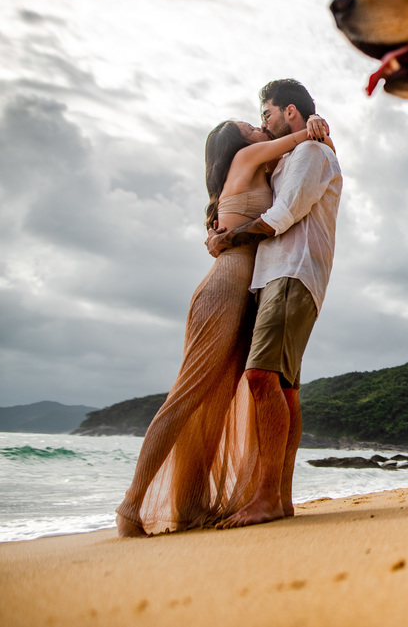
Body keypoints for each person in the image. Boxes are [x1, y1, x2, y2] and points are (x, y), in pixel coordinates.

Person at [116, 110, 332, 537]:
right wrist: (315, 123)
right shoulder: (247, 158)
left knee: (215, 403)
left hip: (248, 287)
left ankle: (190, 505)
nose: (257, 126)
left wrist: (318, 133)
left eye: (257, 121)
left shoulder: (264, 170)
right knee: (188, 394)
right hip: (226, 284)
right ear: (237, 144)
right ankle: (130, 507)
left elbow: (312, 166)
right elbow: (298, 142)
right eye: (249, 127)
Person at [205, 78, 342, 528]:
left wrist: (231, 239)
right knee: (284, 387)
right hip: (279, 276)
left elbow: (282, 217)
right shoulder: (292, 156)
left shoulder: (311, 153)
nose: (263, 123)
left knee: (261, 377)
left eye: (265, 114)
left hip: (292, 272)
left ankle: (266, 497)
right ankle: (279, 497)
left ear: (289, 112)